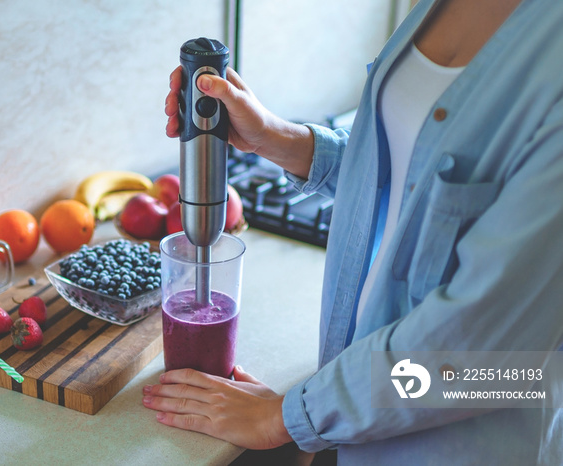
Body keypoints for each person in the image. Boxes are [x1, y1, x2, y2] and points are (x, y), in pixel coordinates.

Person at [142, 0, 563, 463]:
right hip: (359, 423)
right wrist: (275, 137)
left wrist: (286, 415)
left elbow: (481, 345)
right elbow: (413, 176)